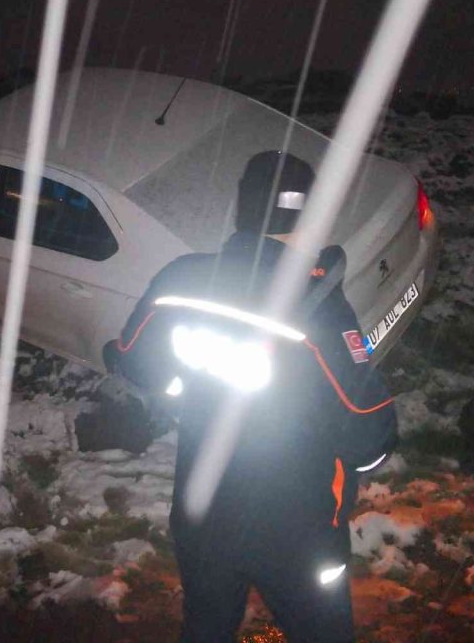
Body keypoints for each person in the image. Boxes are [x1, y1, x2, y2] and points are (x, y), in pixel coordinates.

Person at [104, 150, 397, 643]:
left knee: (206, 630)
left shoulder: (183, 281)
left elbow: (131, 359)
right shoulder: (320, 312)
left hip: (204, 517)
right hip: (297, 531)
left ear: (245, 211)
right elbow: (372, 438)